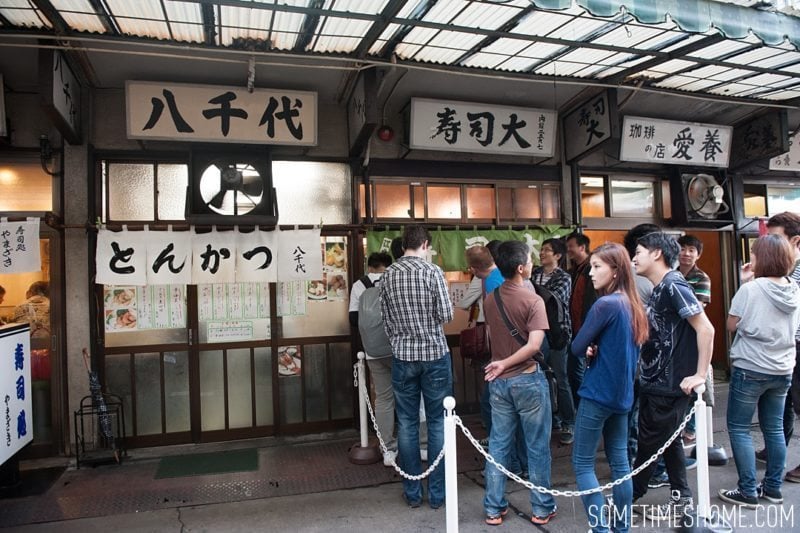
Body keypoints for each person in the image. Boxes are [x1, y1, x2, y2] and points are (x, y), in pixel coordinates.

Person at [631, 232, 714, 520]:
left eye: (639, 251)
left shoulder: (672, 285)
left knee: (649, 444)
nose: (634, 257)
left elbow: (706, 328)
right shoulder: (661, 287)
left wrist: (699, 374)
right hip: (657, 382)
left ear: (656, 253)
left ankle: (630, 493)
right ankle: (681, 497)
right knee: (669, 441)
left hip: (669, 384)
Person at [571, 242, 649, 533]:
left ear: (615, 270)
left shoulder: (605, 304)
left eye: (597, 267)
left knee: (582, 464)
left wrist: (589, 346)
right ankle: (621, 527)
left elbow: (577, 346)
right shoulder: (632, 303)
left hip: (596, 393)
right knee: (619, 463)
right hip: (622, 396)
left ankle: (600, 529)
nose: (591, 273)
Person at [718, 234, 800, 508]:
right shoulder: (794, 288)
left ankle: (747, 491)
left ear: (761, 258)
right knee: (774, 428)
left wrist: (744, 284)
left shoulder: (751, 290)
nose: (751, 258)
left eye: (753, 254)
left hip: (751, 366)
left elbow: (731, 325)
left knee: (740, 427)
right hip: (783, 367)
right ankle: (773, 488)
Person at [482, 240, 557, 526]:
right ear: (521, 267)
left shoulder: (491, 298)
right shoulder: (532, 299)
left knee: (499, 446)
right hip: (526, 379)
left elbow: (491, 336)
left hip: (498, 382)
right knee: (537, 448)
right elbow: (534, 345)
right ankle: (541, 508)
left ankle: (493, 507)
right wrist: (508, 361)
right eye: (530, 258)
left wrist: (500, 362)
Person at [380, 225, 453, 509]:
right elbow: (446, 314)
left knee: (407, 424)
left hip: (402, 356)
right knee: (437, 422)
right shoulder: (432, 272)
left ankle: (412, 494)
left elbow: (385, 320)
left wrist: (402, 336)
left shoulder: (388, 274)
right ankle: (437, 495)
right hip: (434, 354)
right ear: (424, 244)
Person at [748, 212, 800, 483]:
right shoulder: (786, 270)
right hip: (786, 348)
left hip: (795, 345)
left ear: (796, 241)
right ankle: (773, 451)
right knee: (786, 404)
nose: (771, 245)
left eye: (777, 238)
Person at [348, 251, 395, 466]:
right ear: (388, 265)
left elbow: (353, 318)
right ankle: (416, 445)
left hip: (373, 351)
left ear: (370, 267)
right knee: (408, 394)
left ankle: (387, 449)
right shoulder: (394, 279)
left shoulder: (360, 284)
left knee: (383, 398)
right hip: (399, 349)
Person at [456, 245, 505, 440]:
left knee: (490, 398)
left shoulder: (489, 281)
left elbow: (499, 319)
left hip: (499, 351)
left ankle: (497, 441)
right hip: (506, 350)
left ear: (474, 268)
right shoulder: (500, 275)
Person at [532, 237, 575, 445]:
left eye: (547, 250)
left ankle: (569, 422)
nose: (542, 253)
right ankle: (552, 420)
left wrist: (528, 291)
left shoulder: (563, 277)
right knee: (543, 377)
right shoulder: (535, 274)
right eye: (541, 249)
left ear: (558, 255)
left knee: (561, 377)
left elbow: (550, 298)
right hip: (537, 332)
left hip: (558, 333)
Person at [622, 224, 657, 471]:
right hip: (646, 360)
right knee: (644, 415)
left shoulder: (619, 278)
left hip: (625, 360)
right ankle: (643, 465)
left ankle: (625, 461)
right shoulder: (648, 281)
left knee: (628, 413)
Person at [567, 232, 597, 407]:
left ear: (582, 247)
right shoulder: (575, 270)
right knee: (574, 370)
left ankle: (583, 407)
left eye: (571, 246)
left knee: (578, 370)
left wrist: (588, 329)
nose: (568, 250)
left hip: (585, 329)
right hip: (575, 328)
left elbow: (591, 301)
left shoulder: (590, 269)